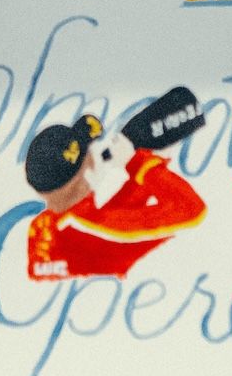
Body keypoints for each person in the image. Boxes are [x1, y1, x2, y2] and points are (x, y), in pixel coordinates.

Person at [23, 110, 205, 280]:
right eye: (90, 153)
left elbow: (120, 214)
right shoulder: (92, 230)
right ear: (86, 175)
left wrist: (153, 160)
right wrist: (142, 165)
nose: (98, 155)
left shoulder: (48, 225)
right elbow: (192, 209)